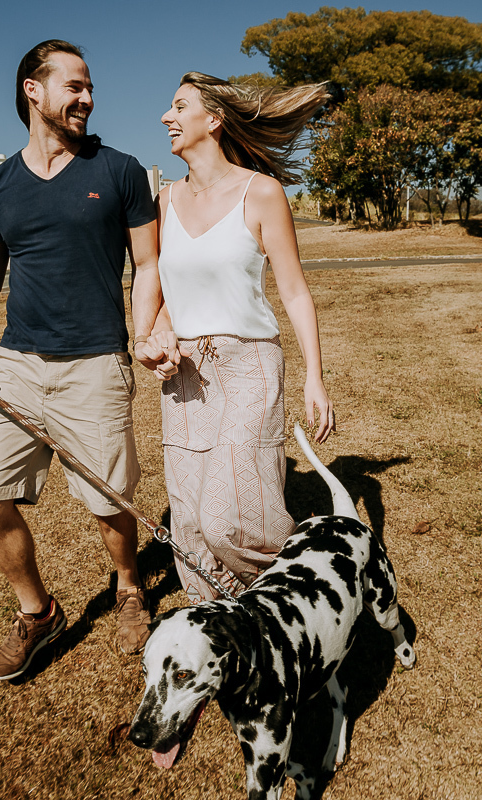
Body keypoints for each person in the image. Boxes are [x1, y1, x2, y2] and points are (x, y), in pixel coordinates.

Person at [0, 40, 163, 680]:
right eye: (74, 86)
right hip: (17, 368)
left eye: (89, 87)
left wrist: (143, 334)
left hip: (96, 364)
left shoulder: (120, 171)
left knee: (110, 504)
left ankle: (129, 587)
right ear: (33, 89)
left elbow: (149, 264)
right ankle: (38, 612)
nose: (87, 98)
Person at [137, 72, 334, 603]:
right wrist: (155, 339)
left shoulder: (261, 192)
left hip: (249, 365)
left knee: (229, 517)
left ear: (214, 121)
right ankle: (229, 627)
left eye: (179, 106)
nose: (165, 117)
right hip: (184, 377)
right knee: (192, 529)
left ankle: (301, 590)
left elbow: (294, 293)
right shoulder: (161, 202)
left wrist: (315, 378)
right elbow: (156, 291)